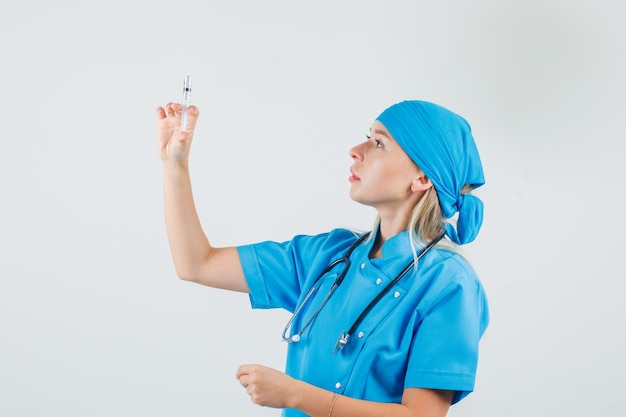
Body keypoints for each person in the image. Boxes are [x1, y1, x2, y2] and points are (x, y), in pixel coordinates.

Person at [156, 99, 489, 417]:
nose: (355, 151)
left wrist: (295, 395)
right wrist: (175, 165)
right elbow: (196, 264)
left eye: (378, 144)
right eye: (367, 138)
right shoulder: (329, 255)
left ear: (422, 177)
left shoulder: (449, 285)